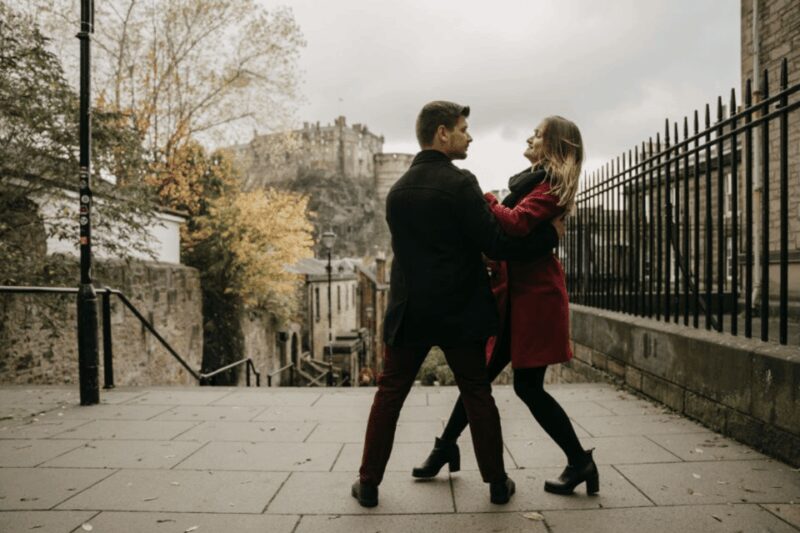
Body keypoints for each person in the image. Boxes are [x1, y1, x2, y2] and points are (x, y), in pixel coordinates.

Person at [352, 101, 565, 507]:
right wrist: (548, 237)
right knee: (476, 393)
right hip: (460, 310)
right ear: (442, 133)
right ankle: (498, 484)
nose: (470, 136)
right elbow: (498, 243)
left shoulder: (397, 192)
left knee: (390, 394)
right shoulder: (461, 183)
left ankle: (368, 484)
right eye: (464, 129)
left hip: (410, 309)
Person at [412, 116, 599, 496]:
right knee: (478, 379)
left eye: (539, 134)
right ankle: (445, 447)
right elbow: (505, 235)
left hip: (534, 301)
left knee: (527, 388)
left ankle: (580, 461)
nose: (530, 136)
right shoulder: (532, 183)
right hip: (514, 297)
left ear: (556, 146)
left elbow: (513, 224)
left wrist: (481, 196)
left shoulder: (551, 188)